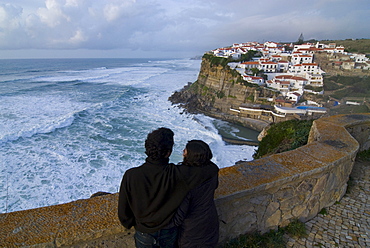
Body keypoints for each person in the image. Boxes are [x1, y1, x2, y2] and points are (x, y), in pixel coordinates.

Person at [118, 128, 218, 248]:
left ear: (147, 148)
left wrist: (130, 223)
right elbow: (210, 169)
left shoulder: (131, 175)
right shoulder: (177, 174)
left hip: (144, 232)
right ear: (168, 153)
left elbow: (124, 211)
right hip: (169, 230)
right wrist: (191, 154)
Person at [173, 140, 219, 248]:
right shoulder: (213, 169)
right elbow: (215, 186)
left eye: (185, 151)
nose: (183, 152)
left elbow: (182, 207)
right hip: (210, 219)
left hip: (191, 226)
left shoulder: (183, 175)